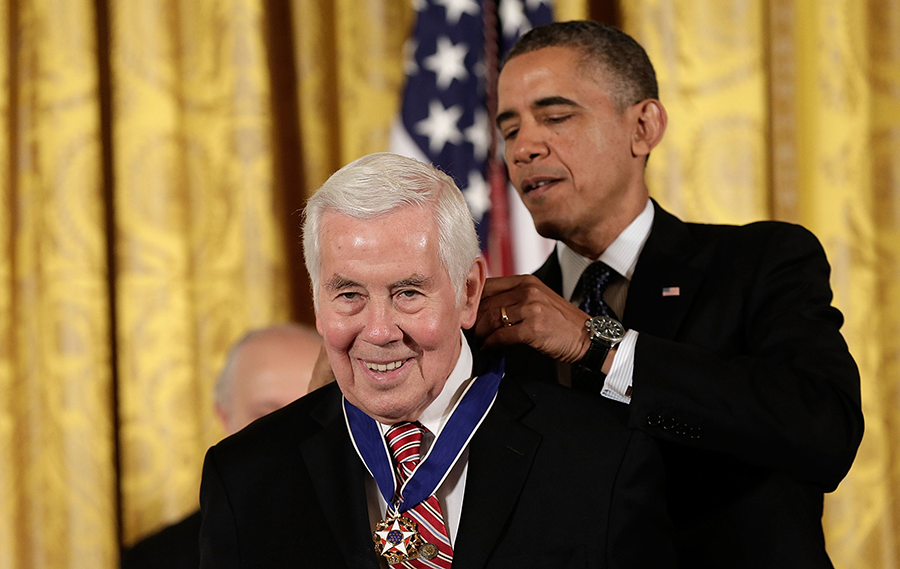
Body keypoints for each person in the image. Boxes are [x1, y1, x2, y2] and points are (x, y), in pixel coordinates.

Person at [474, 20, 864, 568]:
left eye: (556, 117)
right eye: (509, 130)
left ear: (643, 127)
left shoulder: (760, 263)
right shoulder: (494, 322)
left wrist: (598, 343)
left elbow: (823, 431)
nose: (524, 149)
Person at [198, 152, 676, 568]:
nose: (380, 331)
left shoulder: (601, 457)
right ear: (318, 302)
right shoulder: (246, 476)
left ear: (468, 292)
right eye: (348, 294)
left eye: (408, 293)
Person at [121, 324, 322, 569]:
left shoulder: (379, 530)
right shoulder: (157, 560)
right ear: (226, 418)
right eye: (269, 419)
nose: (294, 435)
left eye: (314, 414)